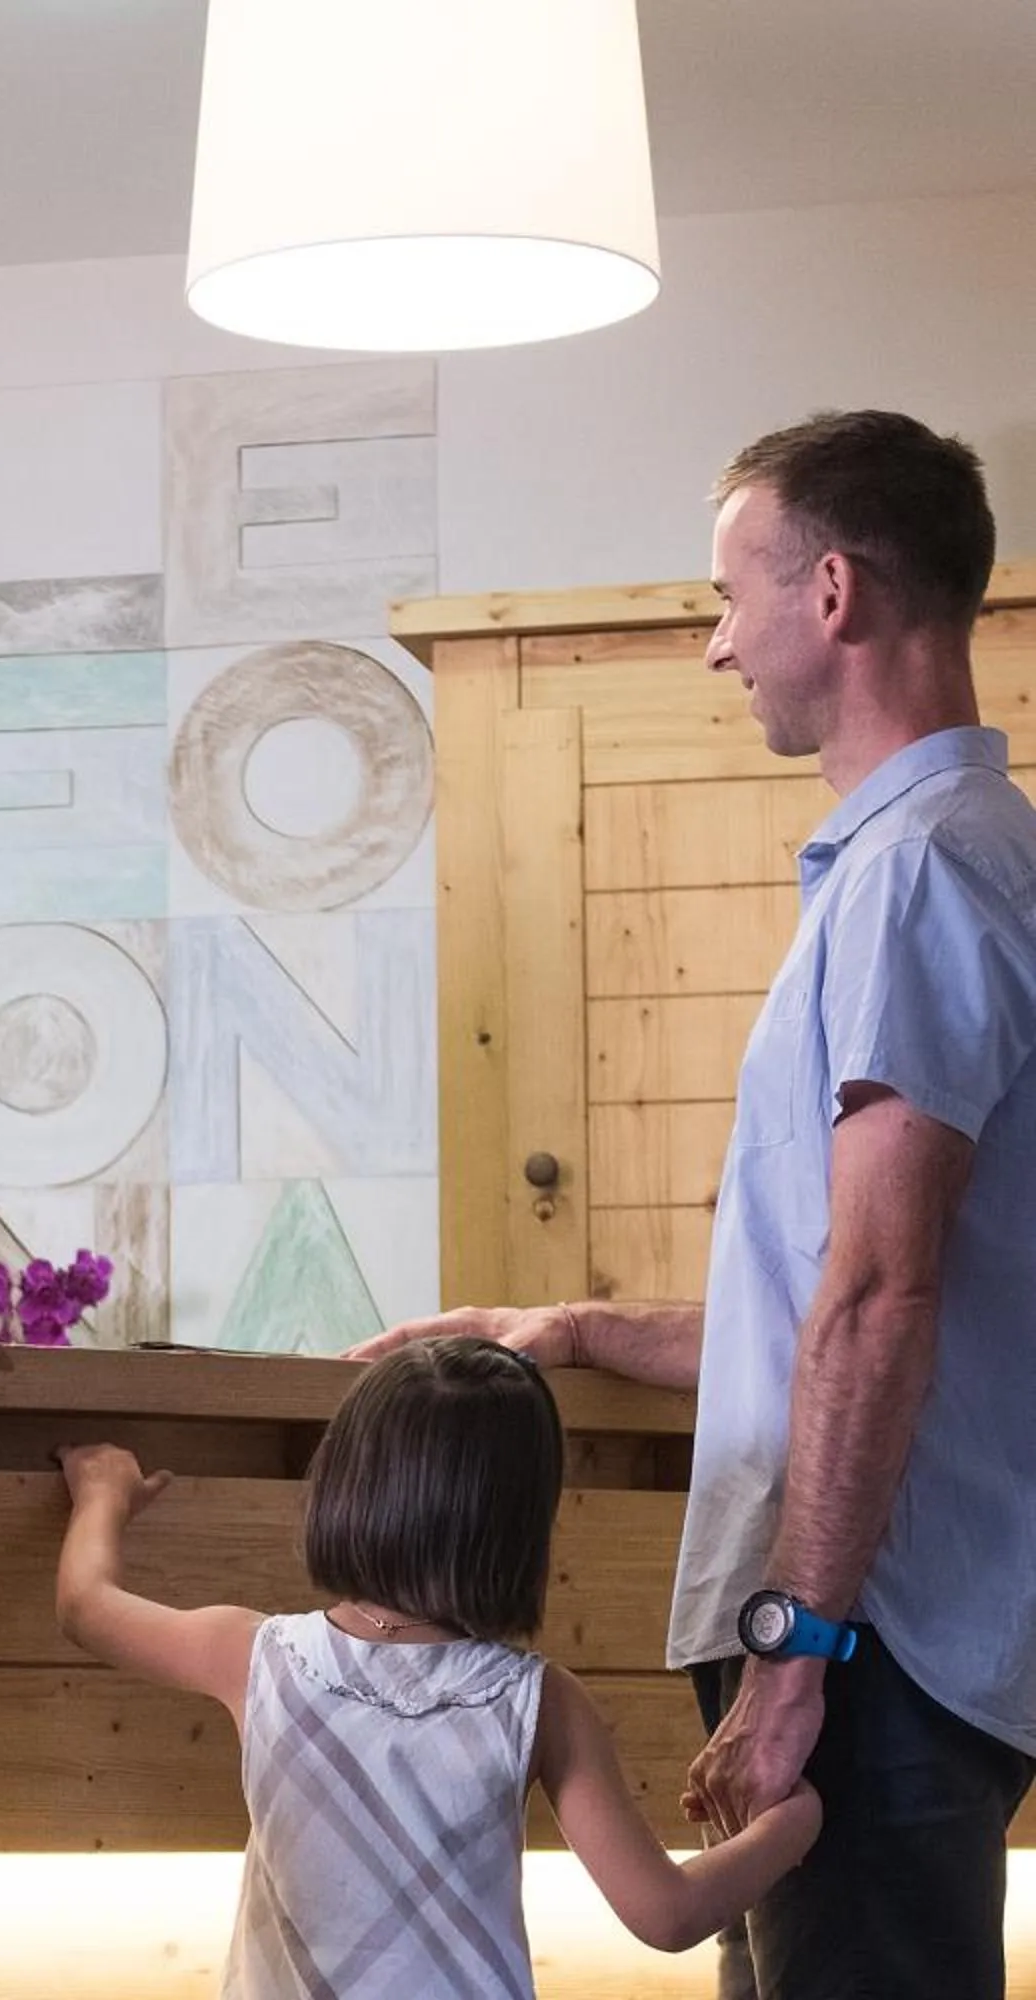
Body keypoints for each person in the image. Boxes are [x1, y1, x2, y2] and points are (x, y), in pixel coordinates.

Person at [355, 411, 1036, 1998]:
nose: (718, 647)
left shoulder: (923, 869)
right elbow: (847, 1296)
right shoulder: (927, 862)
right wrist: (587, 1328)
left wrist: (799, 1652)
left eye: (729, 597)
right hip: (875, 1641)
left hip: (879, 1651)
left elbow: (885, 1297)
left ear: (836, 594)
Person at [56, 1341, 821, 1998]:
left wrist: (102, 1494)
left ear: (343, 1482)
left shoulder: (253, 1656)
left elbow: (86, 1606)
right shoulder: (537, 1702)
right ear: (521, 1526)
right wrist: (797, 1822)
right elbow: (667, 1915)